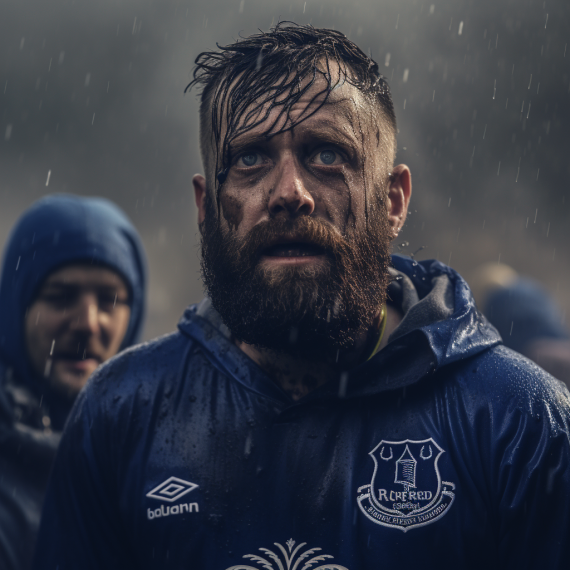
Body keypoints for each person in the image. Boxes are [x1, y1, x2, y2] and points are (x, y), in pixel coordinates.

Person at [34, 24, 570, 570]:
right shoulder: (120, 413)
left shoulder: (519, 422)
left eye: (327, 155)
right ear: (206, 206)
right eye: (250, 159)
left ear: (392, 201)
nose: (290, 193)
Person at [0, 194, 146, 570]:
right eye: (61, 297)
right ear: (16, 306)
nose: (87, 323)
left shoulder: (159, 455)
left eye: (110, 299)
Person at [470, 262, 570, 388]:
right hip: (562, 347)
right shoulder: (534, 289)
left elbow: (498, 344)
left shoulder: (496, 301)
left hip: (534, 356)